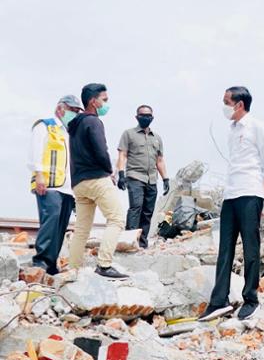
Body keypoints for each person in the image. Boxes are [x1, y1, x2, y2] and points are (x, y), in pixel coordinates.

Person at [199, 86, 264, 321]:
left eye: (226, 101)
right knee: (225, 248)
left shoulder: (257, 127)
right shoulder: (232, 130)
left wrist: (259, 198)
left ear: (239, 104)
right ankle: (218, 301)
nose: (223, 106)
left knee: (251, 248)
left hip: (250, 193)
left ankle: (250, 299)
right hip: (230, 194)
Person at [67, 83, 128, 279]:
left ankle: (73, 268)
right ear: (93, 101)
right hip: (96, 178)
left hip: (79, 183)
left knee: (82, 229)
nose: (106, 104)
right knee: (117, 218)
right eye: (104, 100)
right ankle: (104, 264)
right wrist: (110, 171)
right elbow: (101, 151)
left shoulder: (74, 125)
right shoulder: (93, 122)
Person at [28, 95, 83, 275]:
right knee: (50, 222)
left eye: (76, 111)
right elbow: (36, 151)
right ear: (60, 108)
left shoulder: (69, 132)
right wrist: (39, 175)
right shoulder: (45, 125)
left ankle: (51, 265)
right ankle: (41, 262)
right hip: (49, 184)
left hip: (67, 187)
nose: (74, 114)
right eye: (72, 110)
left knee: (60, 226)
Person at [116, 105, 169, 248]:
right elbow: (122, 155)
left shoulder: (156, 138)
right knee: (136, 208)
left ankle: (142, 243)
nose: (145, 118)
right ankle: (129, 241)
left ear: (152, 117)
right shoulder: (129, 134)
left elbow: (160, 160)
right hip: (134, 177)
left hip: (152, 178)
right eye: (142, 115)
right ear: (137, 117)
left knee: (148, 212)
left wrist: (165, 179)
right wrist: (121, 174)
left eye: (148, 115)